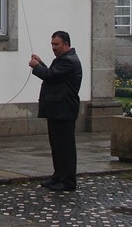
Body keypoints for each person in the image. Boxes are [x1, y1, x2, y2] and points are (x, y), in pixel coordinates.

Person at [29, 31, 82, 192]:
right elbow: (54, 75)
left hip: (64, 110)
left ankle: (67, 181)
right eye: (52, 44)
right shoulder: (63, 60)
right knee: (57, 146)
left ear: (66, 44)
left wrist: (37, 67)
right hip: (57, 110)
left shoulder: (69, 61)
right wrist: (42, 63)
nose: (53, 48)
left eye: (56, 44)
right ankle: (58, 176)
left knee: (65, 147)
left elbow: (51, 76)